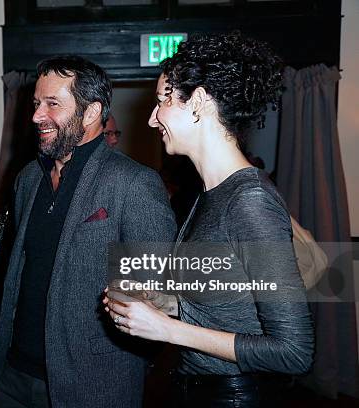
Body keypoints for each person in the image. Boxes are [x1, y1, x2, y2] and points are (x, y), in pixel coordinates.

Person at [104, 33, 314, 406]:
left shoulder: (249, 202)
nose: (153, 119)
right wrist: (160, 303)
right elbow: (225, 306)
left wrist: (167, 329)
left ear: (198, 102)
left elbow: (293, 352)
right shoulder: (210, 195)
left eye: (162, 100)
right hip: (197, 391)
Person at [0, 55, 176, 407]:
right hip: (14, 375)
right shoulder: (28, 178)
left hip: (93, 383)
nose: (36, 116)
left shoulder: (134, 183)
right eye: (36, 104)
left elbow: (159, 296)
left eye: (52, 104)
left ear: (91, 113)